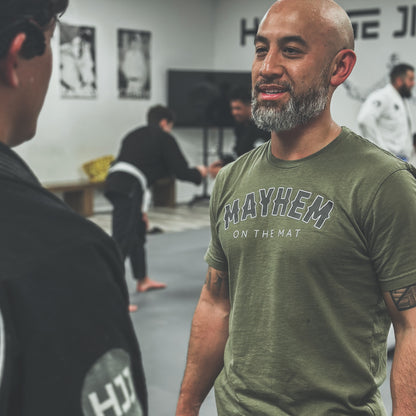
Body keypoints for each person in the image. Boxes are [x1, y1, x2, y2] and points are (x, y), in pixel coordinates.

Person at [176, 0, 416, 415]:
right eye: (260, 49)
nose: (266, 67)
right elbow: (216, 303)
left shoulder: (383, 184)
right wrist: (186, 406)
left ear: (339, 68)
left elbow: (412, 325)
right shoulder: (232, 179)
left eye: (291, 50)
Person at [0, 0, 148, 415]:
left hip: (123, 184)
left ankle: (143, 277)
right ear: (17, 56)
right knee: (123, 234)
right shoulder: (65, 254)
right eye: (50, 42)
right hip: (125, 186)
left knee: (130, 231)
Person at [105, 105, 207, 294]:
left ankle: (142, 279)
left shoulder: (133, 134)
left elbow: (145, 168)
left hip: (118, 182)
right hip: (129, 185)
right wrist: (200, 172)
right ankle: (112, 296)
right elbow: (180, 170)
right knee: (123, 239)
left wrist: (141, 210)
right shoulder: (164, 137)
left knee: (137, 233)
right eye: (170, 126)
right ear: (164, 123)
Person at [357, 63, 415, 161]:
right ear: (399, 80)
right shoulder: (383, 96)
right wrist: (381, 152)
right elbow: (364, 119)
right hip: (386, 162)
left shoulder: (402, 101)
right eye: (411, 79)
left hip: (400, 161)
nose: (413, 83)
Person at [208, 86, 269, 177]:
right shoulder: (240, 127)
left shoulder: (264, 128)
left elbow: (260, 162)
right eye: (232, 109)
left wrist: (226, 172)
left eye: (238, 108)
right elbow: (239, 154)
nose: (234, 113)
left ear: (251, 106)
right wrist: (224, 164)